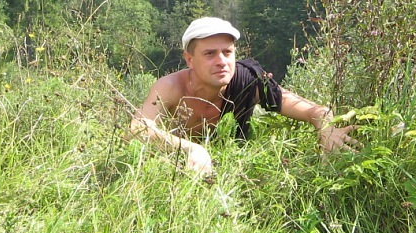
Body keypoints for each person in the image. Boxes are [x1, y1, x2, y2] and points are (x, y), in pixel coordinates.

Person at [129, 17, 361, 176]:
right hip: (173, 174)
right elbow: (137, 128)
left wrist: (326, 123)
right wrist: (192, 149)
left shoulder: (248, 81)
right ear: (189, 59)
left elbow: (308, 108)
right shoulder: (171, 87)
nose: (221, 61)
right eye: (210, 54)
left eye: (227, 52)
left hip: (236, 176)